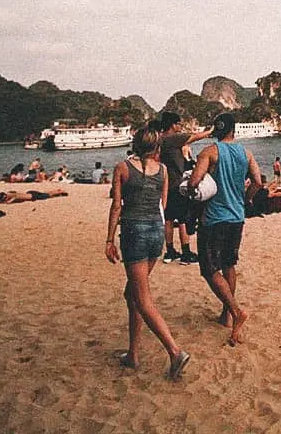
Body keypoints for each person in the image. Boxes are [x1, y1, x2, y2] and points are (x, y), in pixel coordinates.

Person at [103, 125, 190, 379]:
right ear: (156, 148)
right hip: (155, 233)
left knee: (141, 297)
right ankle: (132, 353)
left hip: (134, 232)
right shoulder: (162, 170)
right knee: (131, 294)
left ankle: (175, 352)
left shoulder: (122, 168)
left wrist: (109, 240)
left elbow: (116, 206)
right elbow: (163, 204)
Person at [188, 113, 263, 347]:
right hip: (236, 217)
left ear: (216, 130)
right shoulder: (246, 153)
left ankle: (235, 311)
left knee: (209, 269)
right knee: (229, 265)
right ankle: (226, 316)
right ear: (234, 130)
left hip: (213, 219)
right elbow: (258, 182)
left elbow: (193, 182)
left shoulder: (208, 152)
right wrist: (246, 200)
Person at [156, 112, 212, 265]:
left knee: (168, 219)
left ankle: (170, 252)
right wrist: (210, 132)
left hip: (165, 184)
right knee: (182, 219)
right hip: (177, 185)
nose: (180, 127)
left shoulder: (160, 140)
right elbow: (194, 137)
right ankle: (186, 253)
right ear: (173, 125)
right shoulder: (173, 139)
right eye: (179, 124)